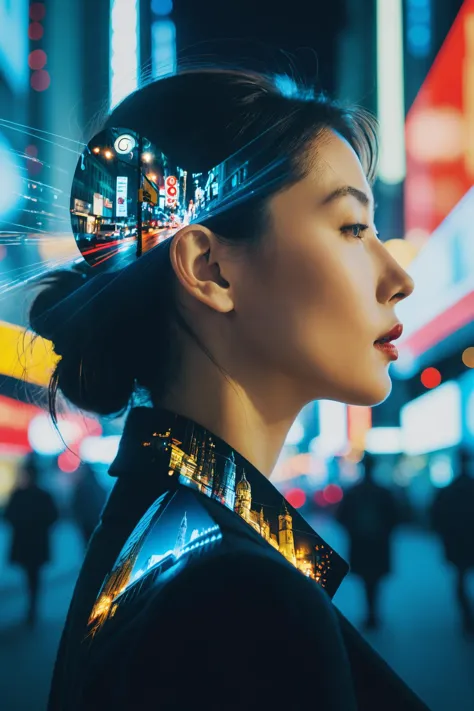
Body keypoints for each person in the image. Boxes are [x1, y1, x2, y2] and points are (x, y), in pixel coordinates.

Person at [27, 68, 429, 710]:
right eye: (354, 228)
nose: (397, 277)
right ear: (209, 269)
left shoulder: (165, 532)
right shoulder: (239, 597)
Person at [336, 452, 402, 630]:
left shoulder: (353, 492)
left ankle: (370, 613)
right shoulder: (383, 492)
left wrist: (355, 531)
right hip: (377, 544)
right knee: (375, 579)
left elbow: (341, 517)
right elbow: (396, 517)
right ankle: (373, 613)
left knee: (367, 579)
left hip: (361, 544)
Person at [4, 454, 59, 627]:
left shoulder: (19, 494)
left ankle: (32, 608)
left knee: (31, 575)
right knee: (34, 575)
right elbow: (53, 516)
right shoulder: (43, 495)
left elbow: (8, 516)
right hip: (37, 542)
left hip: (25, 542)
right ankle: (33, 607)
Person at [430, 448, 474, 635]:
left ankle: (467, 617)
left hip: (457, 542)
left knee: (460, 578)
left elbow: (436, 517)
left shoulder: (449, 490)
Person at [71, 463, 108, 548]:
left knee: (87, 543)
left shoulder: (81, 487)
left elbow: (76, 504)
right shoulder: (97, 485)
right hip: (96, 520)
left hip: (86, 522)